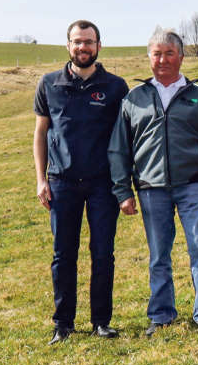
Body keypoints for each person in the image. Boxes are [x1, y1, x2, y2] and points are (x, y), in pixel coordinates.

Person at [110, 30, 198, 336]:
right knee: (158, 256)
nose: (162, 60)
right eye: (156, 54)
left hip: (193, 186)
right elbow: (119, 149)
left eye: (169, 53)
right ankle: (161, 315)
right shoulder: (134, 99)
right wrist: (123, 191)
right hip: (151, 189)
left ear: (181, 57)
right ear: (149, 57)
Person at [32, 19, 129, 344]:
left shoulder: (116, 87)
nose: (82, 47)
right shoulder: (49, 84)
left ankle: (101, 321)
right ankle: (63, 324)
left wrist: (124, 183)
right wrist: (41, 179)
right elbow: (40, 133)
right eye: (77, 41)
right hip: (62, 182)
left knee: (103, 253)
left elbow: (125, 137)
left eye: (88, 42)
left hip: (103, 183)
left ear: (98, 46)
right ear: (68, 45)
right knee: (63, 254)